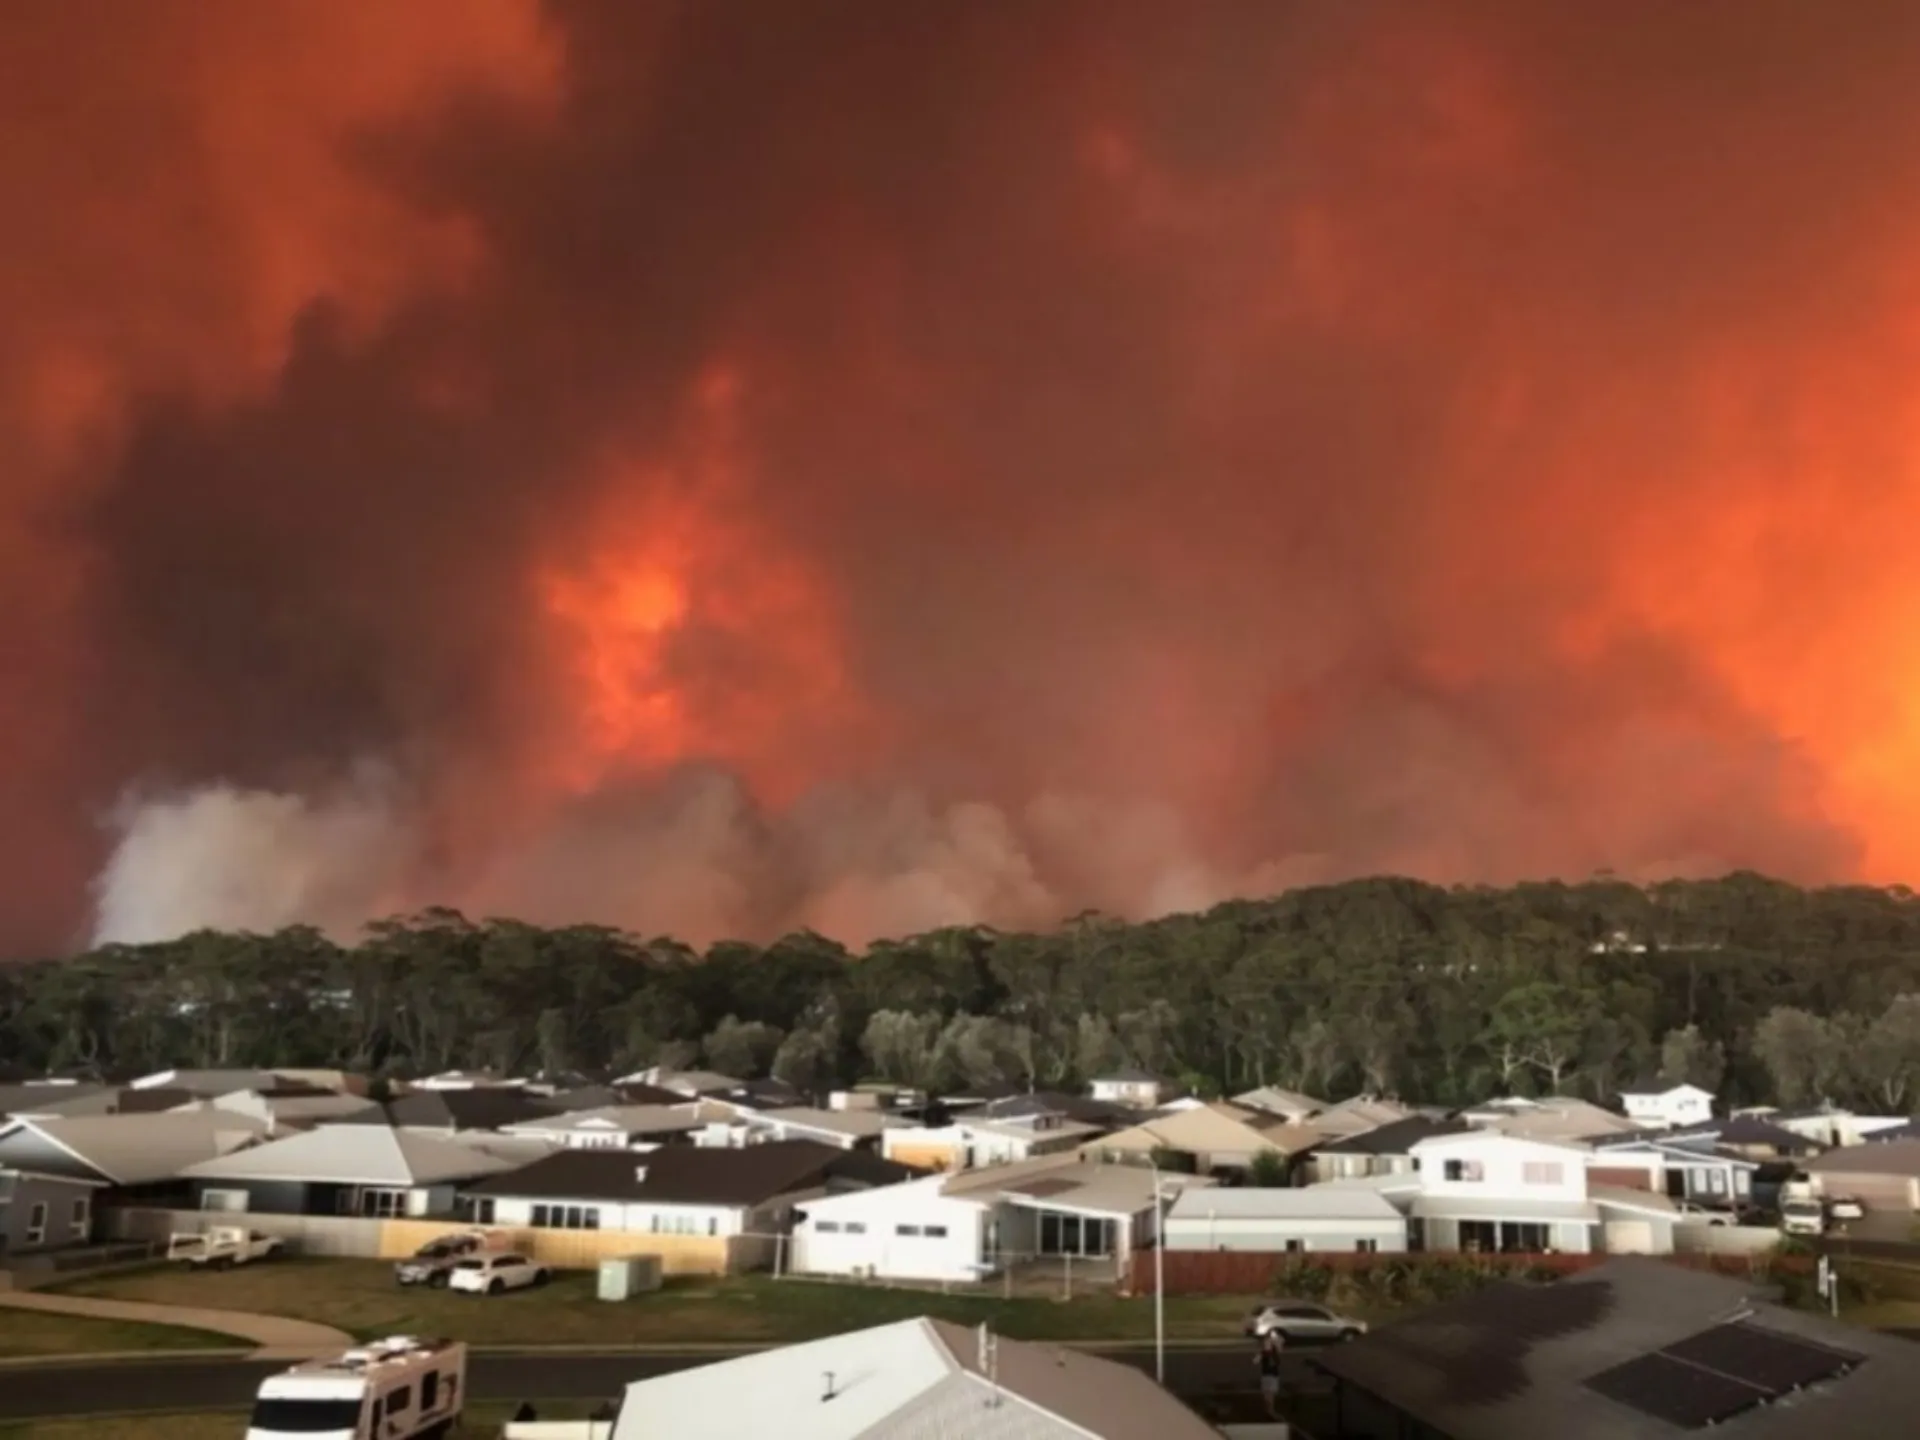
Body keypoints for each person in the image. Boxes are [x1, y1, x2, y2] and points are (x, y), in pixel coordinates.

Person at [1254, 1331, 1285, 1417]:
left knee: (1268, 1393)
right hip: (1271, 1376)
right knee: (1269, 1394)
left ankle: (1268, 1409)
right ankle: (1269, 1410)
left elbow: (1255, 1361)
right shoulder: (1273, 1353)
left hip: (1267, 1375)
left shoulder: (1266, 1353)